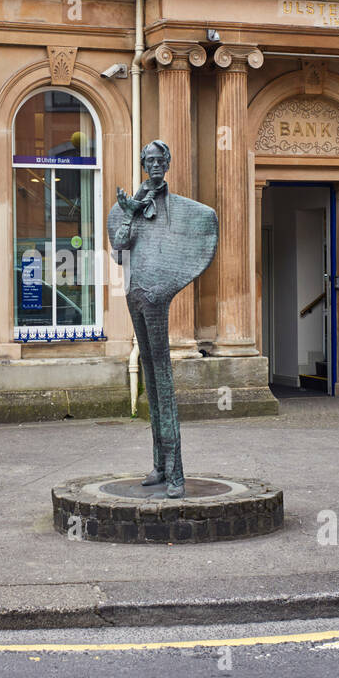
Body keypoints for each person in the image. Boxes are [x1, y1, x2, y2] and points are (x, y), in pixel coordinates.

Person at [107, 140, 218, 498]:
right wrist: (130, 211)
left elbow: (202, 229)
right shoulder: (129, 206)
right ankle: (159, 464)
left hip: (157, 295)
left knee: (164, 380)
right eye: (149, 160)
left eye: (160, 160)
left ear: (168, 163)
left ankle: (177, 474)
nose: (155, 165)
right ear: (143, 164)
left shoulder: (180, 209)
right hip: (135, 294)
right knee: (151, 382)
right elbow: (119, 246)